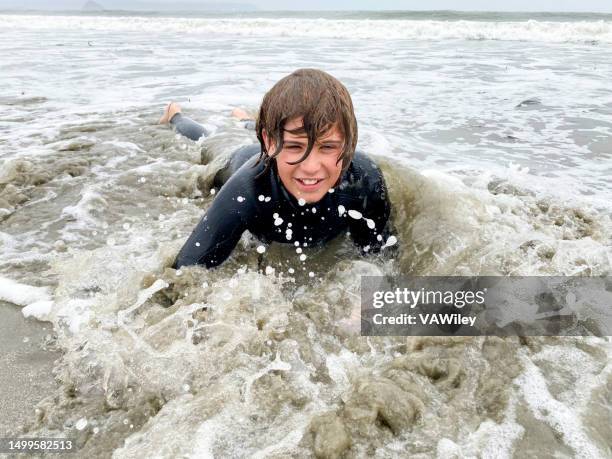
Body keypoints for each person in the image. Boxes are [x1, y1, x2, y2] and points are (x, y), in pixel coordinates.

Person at [161, 69, 394, 269]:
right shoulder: (247, 189)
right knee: (208, 139)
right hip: (238, 155)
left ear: (349, 144)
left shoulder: (366, 179)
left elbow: (382, 258)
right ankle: (175, 114)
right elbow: (184, 272)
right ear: (269, 143)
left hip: (270, 140)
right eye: (295, 146)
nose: (311, 167)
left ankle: (244, 119)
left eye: (328, 147)